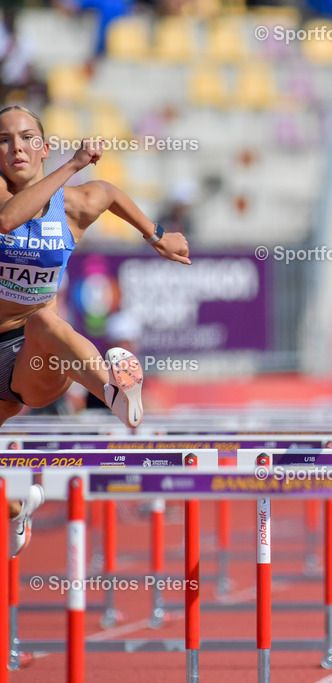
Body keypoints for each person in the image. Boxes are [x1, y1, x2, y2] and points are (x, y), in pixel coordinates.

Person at [0, 105, 190, 555]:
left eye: (27, 137)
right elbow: (7, 221)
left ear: (43, 146)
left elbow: (107, 192)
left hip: (31, 357)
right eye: (5, 140)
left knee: (46, 318)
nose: (16, 147)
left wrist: (156, 234)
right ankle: (18, 505)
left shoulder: (75, 206)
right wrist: (71, 164)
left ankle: (115, 395)